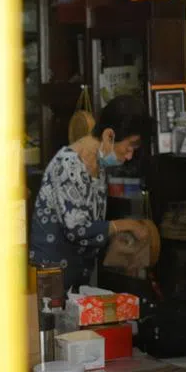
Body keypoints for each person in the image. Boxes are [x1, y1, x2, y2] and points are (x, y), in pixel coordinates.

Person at [29, 94, 152, 291]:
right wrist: (126, 225)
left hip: (78, 274)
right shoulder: (68, 165)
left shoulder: (98, 165)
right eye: (130, 146)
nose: (130, 156)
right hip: (52, 278)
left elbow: (94, 226)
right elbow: (77, 229)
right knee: (53, 321)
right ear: (109, 136)